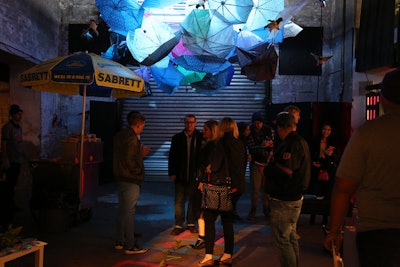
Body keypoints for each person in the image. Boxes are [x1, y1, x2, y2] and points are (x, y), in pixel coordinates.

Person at [324, 68, 400, 267]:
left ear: (384, 98)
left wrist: (334, 231)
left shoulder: (368, 134)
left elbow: (343, 188)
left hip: (378, 232)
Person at [198, 117, 246, 267]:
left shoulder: (220, 144)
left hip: (219, 187)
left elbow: (216, 165)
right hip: (235, 187)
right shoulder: (240, 144)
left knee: (210, 219)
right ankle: (227, 255)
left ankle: (208, 256)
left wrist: (208, 169)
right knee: (227, 221)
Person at [265, 112, 311, 267]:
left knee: (283, 240)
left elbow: (285, 172)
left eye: (278, 127)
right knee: (290, 238)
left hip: (285, 199)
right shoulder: (300, 141)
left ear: (282, 127)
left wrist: (267, 169)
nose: (277, 130)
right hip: (295, 198)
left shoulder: (291, 144)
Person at [113, 111, 150, 254]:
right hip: (130, 179)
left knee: (122, 210)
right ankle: (130, 245)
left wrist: (138, 155)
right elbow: (129, 159)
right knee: (129, 212)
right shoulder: (132, 138)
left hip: (120, 177)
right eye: (143, 126)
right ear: (139, 125)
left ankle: (120, 240)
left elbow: (124, 156)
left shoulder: (120, 135)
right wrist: (138, 171)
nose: (143, 128)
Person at [168, 114, 203, 235]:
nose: (189, 125)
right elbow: (172, 156)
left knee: (193, 200)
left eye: (192, 122)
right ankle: (178, 224)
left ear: (195, 123)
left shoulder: (200, 137)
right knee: (179, 201)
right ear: (184, 123)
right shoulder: (177, 138)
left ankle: (191, 223)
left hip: (194, 175)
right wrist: (172, 172)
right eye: (187, 122)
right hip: (180, 174)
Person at [190, 120, 219, 250]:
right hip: (205, 180)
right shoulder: (209, 144)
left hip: (205, 181)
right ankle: (203, 236)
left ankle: (203, 237)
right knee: (203, 210)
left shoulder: (212, 146)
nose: (203, 131)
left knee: (202, 210)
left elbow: (207, 164)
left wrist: (201, 181)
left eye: (206, 129)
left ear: (212, 131)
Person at [246, 112, 274, 220]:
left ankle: (266, 209)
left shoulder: (268, 130)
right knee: (255, 189)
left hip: (267, 162)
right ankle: (253, 209)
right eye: (255, 123)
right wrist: (262, 146)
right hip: (256, 163)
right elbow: (251, 147)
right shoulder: (251, 132)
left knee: (265, 188)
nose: (257, 125)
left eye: (259, 123)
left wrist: (269, 151)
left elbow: (272, 144)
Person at [1, 104, 24, 230]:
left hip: (18, 160)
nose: (20, 116)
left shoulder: (19, 128)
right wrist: (5, 159)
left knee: (13, 183)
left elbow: (18, 143)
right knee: (8, 185)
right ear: (13, 115)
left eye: (21, 113)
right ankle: (7, 209)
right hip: (11, 160)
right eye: (18, 114)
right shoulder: (7, 128)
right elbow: (3, 144)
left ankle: (11, 204)